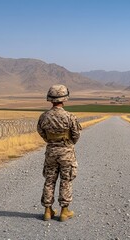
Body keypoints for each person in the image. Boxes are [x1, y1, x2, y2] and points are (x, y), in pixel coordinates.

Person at [37, 84, 82, 221]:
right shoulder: (70, 116)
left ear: (50, 99)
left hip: (51, 152)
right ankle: (64, 211)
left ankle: (47, 211)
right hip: (66, 152)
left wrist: (51, 142)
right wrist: (66, 144)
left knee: (49, 180)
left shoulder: (44, 116)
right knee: (66, 180)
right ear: (64, 98)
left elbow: (41, 132)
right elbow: (75, 135)